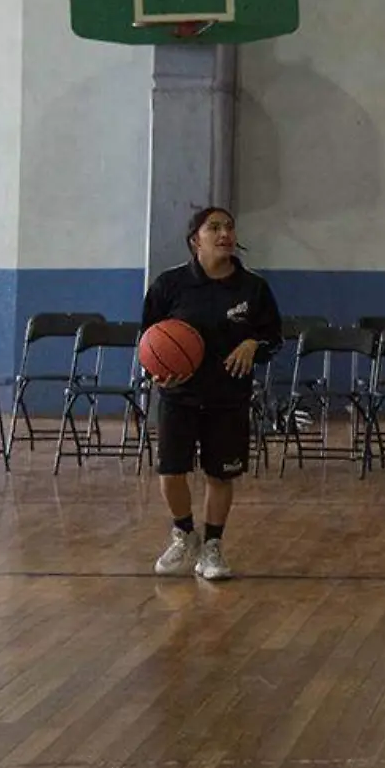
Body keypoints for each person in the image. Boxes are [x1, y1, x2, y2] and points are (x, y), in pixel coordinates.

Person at [143, 206, 283, 580]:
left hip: (228, 396)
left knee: (220, 475)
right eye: (214, 227)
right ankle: (184, 534)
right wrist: (156, 372)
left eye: (230, 227)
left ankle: (213, 546)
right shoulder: (169, 285)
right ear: (195, 241)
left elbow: (275, 338)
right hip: (179, 394)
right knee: (171, 472)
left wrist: (254, 343)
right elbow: (147, 340)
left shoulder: (253, 288)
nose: (224, 234)